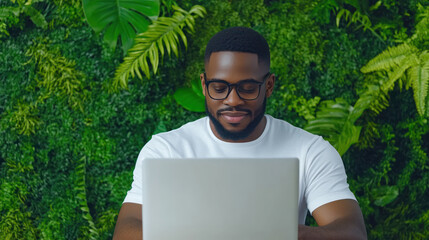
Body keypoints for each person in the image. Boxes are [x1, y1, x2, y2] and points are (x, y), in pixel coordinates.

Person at [113, 26, 367, 240]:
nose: (232, 100)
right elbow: (126, 229)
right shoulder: (166, 150)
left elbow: (351, 231)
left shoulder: (310, 150)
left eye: (247, 88)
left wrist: (277, 234)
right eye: (220, 87)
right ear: (204, 85)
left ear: (268, 86)